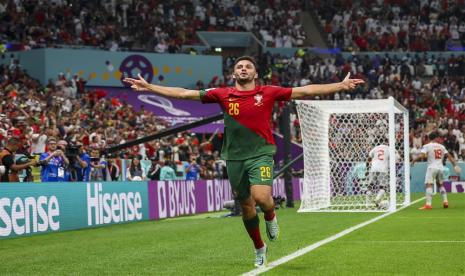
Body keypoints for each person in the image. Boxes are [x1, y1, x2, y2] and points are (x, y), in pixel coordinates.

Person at [124, 55, 364, 267]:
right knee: (246, 206)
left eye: (248, 66)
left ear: (255, 73)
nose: (243, 69)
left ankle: (270, 215)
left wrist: (340, 85)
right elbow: (184, 93)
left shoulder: (268, 92)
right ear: (234, 73)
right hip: (234, 157)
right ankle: (259, 247)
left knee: (261, 198)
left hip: (261, 153)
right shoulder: (222, 94)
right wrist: (149, 88)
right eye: (239, 66)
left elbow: (306, 90)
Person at [412, 131, 460, 210]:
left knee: (429, 184)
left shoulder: (426, 146)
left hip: (432, 167)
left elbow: (422, 155)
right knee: (440, 185)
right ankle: (445, 201)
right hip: (440, 168)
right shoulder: (442, 146)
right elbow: (450, 157)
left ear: (429, 138)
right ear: (436, 138)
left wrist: (414, 160)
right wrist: (455, 165)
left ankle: (428, 204)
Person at [365, 141, 390, 208]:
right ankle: (377, 199)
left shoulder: (375, 148)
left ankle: (367, 204)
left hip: (374, 168)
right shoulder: (389, 148)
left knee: (370, 186)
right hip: (383, 169)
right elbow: (394, 158)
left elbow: (369, 158)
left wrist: (367, 169)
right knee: (383, 187)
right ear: (387, 143)